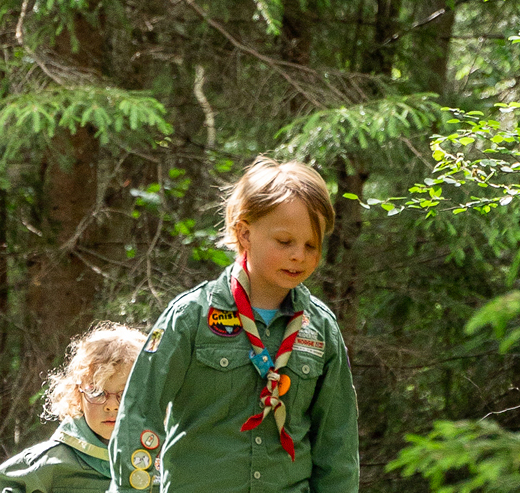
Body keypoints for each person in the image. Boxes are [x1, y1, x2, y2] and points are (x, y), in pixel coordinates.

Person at [107, 157, 359, 492]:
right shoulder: (191, 316)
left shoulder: (320, 329)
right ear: (244, 233)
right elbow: (139, 412)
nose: (299, 255)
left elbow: (337, 443)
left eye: (311, 245)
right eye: (285, 242)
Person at [0, 324, 148, 493]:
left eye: (126, 394)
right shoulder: (50, 465)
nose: (111, 406)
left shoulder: (168, 460)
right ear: (77, 395)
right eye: (96, 392)